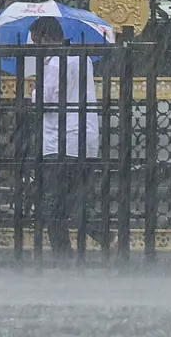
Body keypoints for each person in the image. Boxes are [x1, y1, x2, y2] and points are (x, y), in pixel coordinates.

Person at [29, 16, 104, 259]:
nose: (35, 49)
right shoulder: (83, 59)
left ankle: (66, 255)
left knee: (54, 206)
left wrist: (32, 92)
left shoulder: (55, 64)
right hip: (85, 138)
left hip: (62, 142)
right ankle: (110, 239)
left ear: (47, 39)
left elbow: (45, 99)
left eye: (36, 43)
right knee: (78, 201)